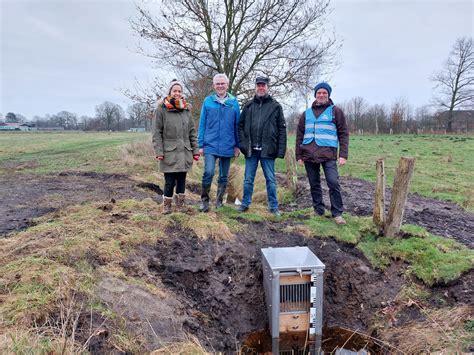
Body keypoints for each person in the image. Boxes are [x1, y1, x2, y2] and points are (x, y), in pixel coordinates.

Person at [295, 82, 349, 225]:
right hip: (309, 154)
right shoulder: (306, 114)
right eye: (319, 93)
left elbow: (343, 133)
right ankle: (318, 210)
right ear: (315, 95)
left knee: (333, 182)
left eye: (324, 93)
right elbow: (299, 135)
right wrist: (298, 156)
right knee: (314, 184)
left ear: (328, 95)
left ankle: (337, 213)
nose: (321, 95)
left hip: (328, 154)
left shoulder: (335, 111)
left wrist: (343, 155)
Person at [238, 76, 287, 216]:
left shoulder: (276, 106)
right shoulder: (248, 106)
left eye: (263, 85)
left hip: (268, 150)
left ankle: (274, 206)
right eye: (258, 85)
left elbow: (282, 129)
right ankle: (245, 204)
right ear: (255, 87)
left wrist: (280, 150)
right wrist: (242, 143)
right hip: (251, 150)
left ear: (267, 87)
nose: (261, 87)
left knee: (270, 180)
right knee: (248, 179)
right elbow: (240, 126)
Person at [152, 79, 200, 214]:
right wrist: (159, 151)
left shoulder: (186, 110)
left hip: (184, 152)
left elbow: (192, 132)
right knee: (169, 181)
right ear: (169, 92)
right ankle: (166, 205)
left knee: (182, 180)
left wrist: (195, 150)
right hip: (169, 152)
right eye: (175, 91)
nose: (177, 93)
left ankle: (180, 205)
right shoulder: (161, 109)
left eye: (179, 91)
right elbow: (156, 133)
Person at [198, 73, 240, 212]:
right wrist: (201, 144)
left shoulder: (234, 103)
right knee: (208, 172)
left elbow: (237, 125)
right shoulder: (208, 101)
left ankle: (219, 202)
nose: (220, 86)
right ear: (214, 85)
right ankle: (204, 201)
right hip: (210, 144)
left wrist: (237, 145)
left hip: (228, 145)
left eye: (223, 83)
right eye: (218, 84)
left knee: (223, 175)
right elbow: (202, 123)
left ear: (227, 85)